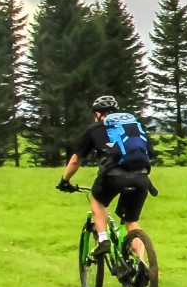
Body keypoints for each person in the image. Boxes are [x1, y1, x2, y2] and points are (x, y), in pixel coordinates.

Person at [56, 95, 154, 270]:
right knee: (132, 222)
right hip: (141, 177)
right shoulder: (133, 126)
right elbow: (149, 152)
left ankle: (103, 240)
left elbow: (76, 160)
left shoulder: (94, 129)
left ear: (98, 114)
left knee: (97, 201)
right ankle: (142, 264)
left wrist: (65, 180)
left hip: (113, 177)